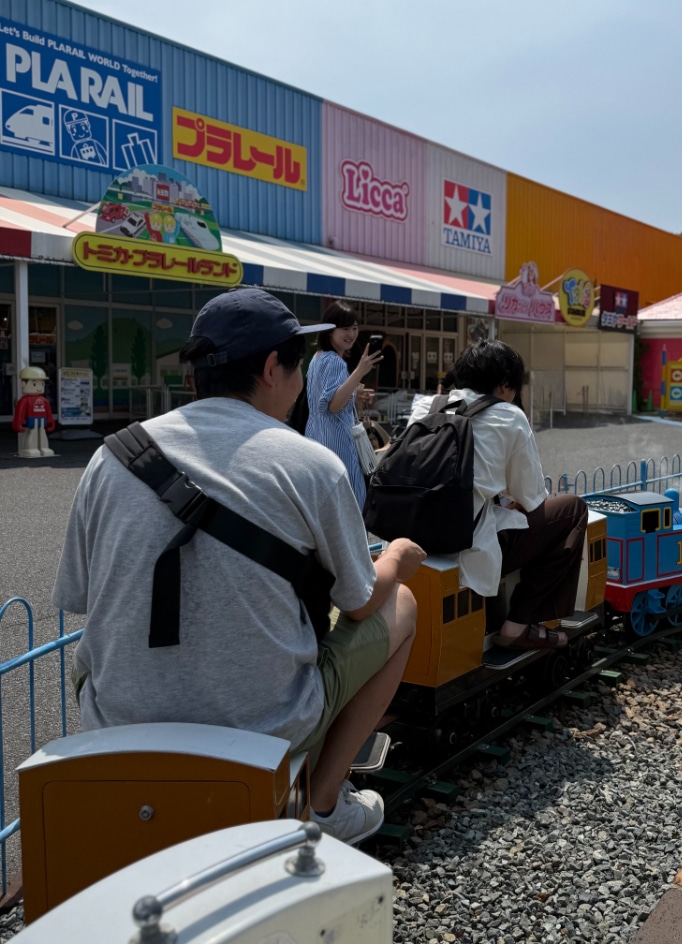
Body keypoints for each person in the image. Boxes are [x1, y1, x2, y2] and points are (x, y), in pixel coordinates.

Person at [53, 287, 425, 846]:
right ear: (274, 368)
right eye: (297, 366)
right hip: (263, 726)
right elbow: (360, 601)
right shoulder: (310, 464)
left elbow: (80, 595)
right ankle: (323, 802)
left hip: (119, 722)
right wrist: (395, 556)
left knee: (89, 649)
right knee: (401, 604)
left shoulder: (113, 455)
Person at [409, 340, 588, 649]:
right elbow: (532, 497)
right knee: (573, 510)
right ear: (505, 383)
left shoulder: (426, 406)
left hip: (409, 535)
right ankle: (518, 625)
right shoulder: (508, 416)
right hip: (465, 545)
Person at [305, 302, 381, 508]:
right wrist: (359, 372)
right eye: (345, 328)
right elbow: (334, 406)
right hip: (337, 442)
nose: (351, 334)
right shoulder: (335, 361)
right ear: (330, 330)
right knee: (349, 504)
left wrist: (354, 393)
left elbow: (326, 399)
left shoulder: (318, 358)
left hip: (316, 436)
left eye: (354, 328)